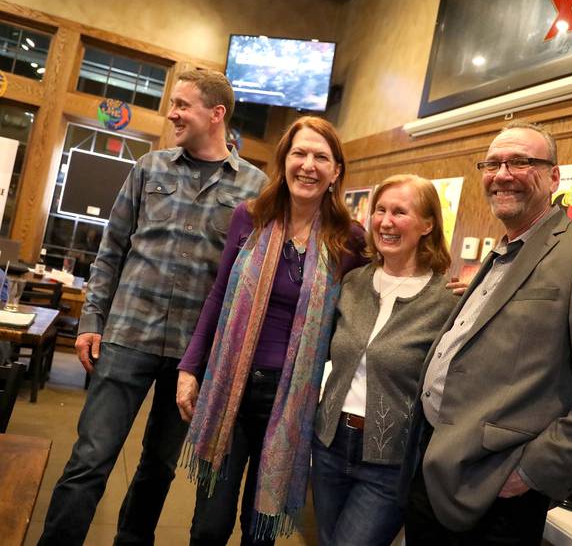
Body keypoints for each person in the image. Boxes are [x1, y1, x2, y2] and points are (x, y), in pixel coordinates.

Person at [38, 70, 267, 546]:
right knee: (90, 459)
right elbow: (112, 249)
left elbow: (250, 280)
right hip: (127, 336)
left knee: (158, 467)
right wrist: (91, 320)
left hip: (192, 356)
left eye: (183, 104)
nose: (173, 114)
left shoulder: (256, 188)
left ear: (216, 113)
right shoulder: (148, 167)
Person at [401, 121, 572, 545]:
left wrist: (531, 471)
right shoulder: (502, 252)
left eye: (520, 161)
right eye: (493, 163)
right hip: (435, 463)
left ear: (554, 176)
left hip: (494, 490)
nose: (502, 174)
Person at [176, 116, 367, 546]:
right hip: (231, 389)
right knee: (210, 523)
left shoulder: (349, 240)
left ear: (336, 171)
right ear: (285, 160)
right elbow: (220, 293)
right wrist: (190, 368)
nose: (308, 165)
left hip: (293, 399)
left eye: (321, 157)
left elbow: (378, 298)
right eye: (300, 153)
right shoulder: (251, 216)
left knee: (258, 529)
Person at [311, 175, 458, 546]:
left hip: (390, 461)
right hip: (328, 444)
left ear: (427, 225)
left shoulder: (448, 300)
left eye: (399, 212)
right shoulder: (352, 282)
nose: (385, 222)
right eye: (380, 210)